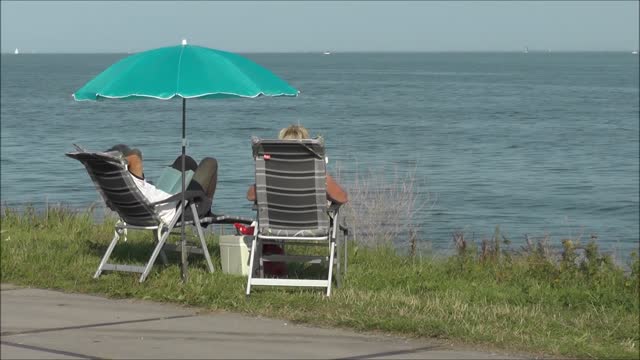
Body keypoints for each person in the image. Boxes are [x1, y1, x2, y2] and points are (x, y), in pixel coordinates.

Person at [107, 144, 218, 223]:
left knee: (184, 160)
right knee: (210, 162)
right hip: (177, 211)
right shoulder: (131, 178)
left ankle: (203, 208)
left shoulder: (113, 187)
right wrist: (122, 162)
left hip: (156, 205)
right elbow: (135, 155)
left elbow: (135, 155)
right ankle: (204, 210)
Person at [246, 124, 348, 205]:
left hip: (275, 230)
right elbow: (343, 198)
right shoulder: (318, 175)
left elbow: (250, 196)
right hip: (312, 229)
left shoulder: (271, 176)